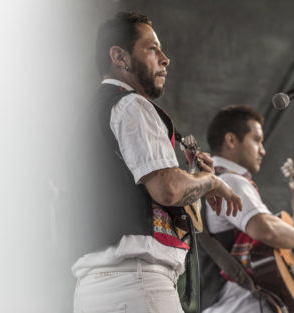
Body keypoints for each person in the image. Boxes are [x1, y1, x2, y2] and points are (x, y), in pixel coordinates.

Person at [70, 12, 242, 313]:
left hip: (96, 290)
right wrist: (211, 181)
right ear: (119, 57)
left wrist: (194, 179)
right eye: (152, 48)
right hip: (136, 284)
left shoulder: (91, 116)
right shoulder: (132, 105)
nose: (165, 59)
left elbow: (171, 203)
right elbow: (169, 190)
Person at [200, 105, 294, 313]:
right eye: (257, 140)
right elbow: (266, 230)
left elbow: (266, 254)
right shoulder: (231, 181)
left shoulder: (210, 181)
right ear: (231, 140)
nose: (263, 150)